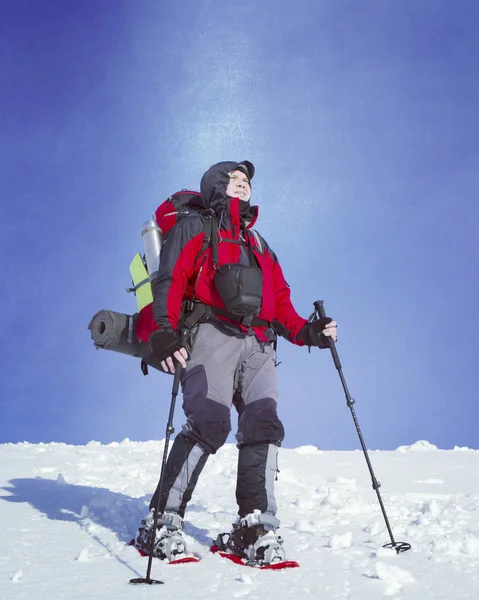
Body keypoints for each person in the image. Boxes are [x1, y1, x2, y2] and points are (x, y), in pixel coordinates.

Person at [134, 160, 337, 565]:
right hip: (211, 333)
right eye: (234, 180)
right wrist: (162, 331)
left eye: (246, 182)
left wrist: (310, 332)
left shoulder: (260, 245)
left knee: (264, 425)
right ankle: (162, 519)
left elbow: (280, 306)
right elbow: (170, 279)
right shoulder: (196, 227)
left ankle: (254, 526)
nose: (242, 186)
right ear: (215, 185)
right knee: (211, 421)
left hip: (260, 343)